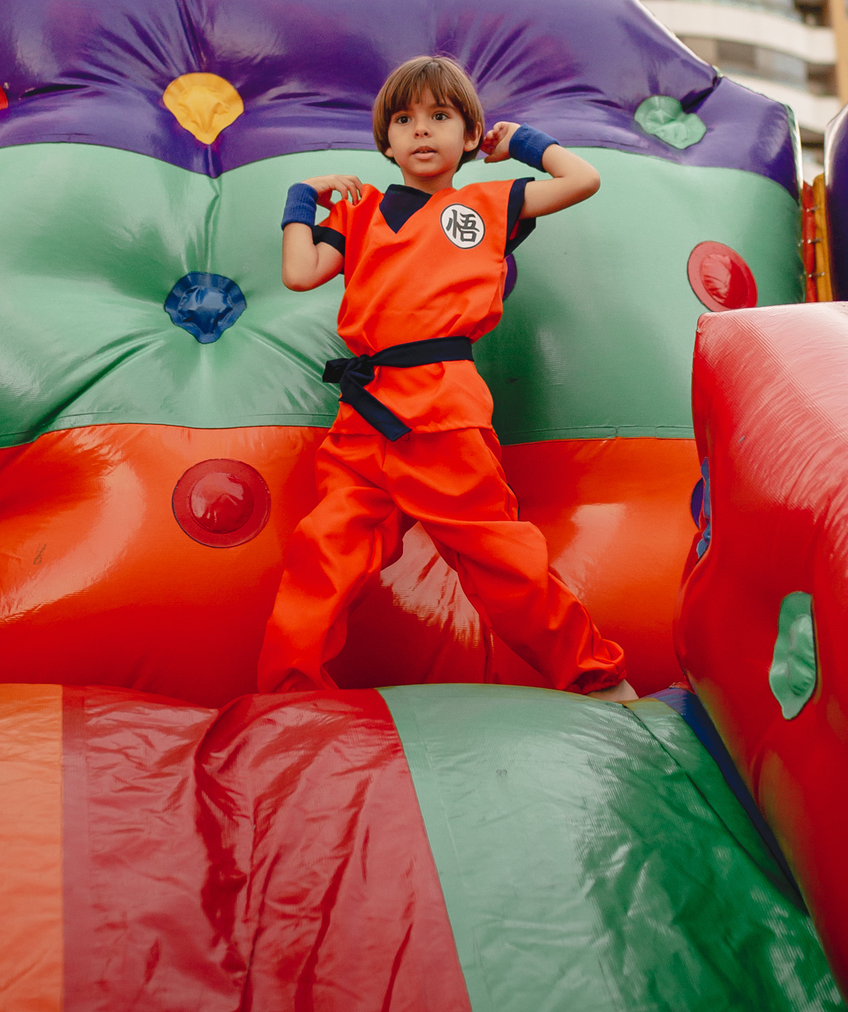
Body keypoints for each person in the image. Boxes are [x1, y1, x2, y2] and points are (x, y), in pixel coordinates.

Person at [257, 54, 636, 701]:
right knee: (323, 552)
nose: (422, 130)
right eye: (404, 120)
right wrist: (303, 198)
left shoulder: (488, 203)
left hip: (442, 411)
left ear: (469, 135)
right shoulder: (359, 211)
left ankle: (593, 676)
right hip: (364, 416)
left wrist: (521, 143)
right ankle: (286, 697)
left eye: (439, 116)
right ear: (386, 141)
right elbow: (299, 272)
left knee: (498, 557)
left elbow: (583, 179)